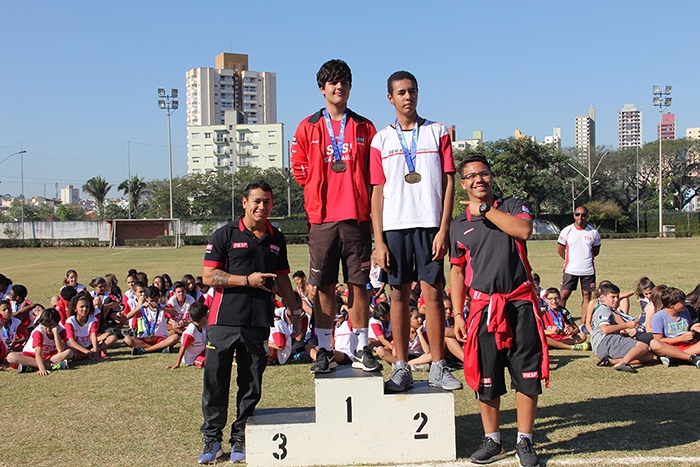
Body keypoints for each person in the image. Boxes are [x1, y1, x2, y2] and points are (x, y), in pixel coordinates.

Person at [449, 153, 548, 467]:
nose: (479, 180)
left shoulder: (511, 205)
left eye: (484, 174)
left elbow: (523, 231)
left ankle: (525, 441)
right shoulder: (457, 227)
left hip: (519, 303)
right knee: (486, 376)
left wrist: (485, 210)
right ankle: (492, 440)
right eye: (472, 176)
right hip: (483, 308)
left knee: (526, 374)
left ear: (491, 178)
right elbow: (456, 270)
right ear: (463, 183)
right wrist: (458, 313)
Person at [199, 180, 303, 464]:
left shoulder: (276, 238)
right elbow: (209, 276)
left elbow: (282, 276)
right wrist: (246, 280)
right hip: (223, 320)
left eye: (267, 202)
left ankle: (240, 436)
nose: (262, 206)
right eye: (256, 201)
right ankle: (211, 439)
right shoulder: (225, 234)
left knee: (251, 383)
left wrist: (294, 312)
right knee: (216, 382)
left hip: (258, 320)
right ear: (244, 202)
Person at [370, 70, 461, 393]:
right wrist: (378, 240)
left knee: (434, 293)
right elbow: (377, 192)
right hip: (395, 228)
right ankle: (401, 367)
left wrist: (444, 227)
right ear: (390, 98)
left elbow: (449, 180)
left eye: (412, 91)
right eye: (401, 92)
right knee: (398, 295)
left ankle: (438, 366)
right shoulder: (380, 139)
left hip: (429, 225)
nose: (408, 97)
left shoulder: (437, 132)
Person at [291, 59, 381, 374]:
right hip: (322, 220)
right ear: (322, 89)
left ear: (350, 87)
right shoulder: (307, 126)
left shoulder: (365, 127)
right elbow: (299, 169)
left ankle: (362, 348)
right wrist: (318, 190)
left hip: (357, 218)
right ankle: (325, 350)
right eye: (332, 82)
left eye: (343, 82)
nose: (338, 87)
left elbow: (373, 175)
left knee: (359, 286)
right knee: (324, 286)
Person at [557, 205, 601, 328]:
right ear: (574, 215)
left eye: (583, 215)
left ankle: (584, 325)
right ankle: (560, 322)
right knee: (563, 295)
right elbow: (560, 250)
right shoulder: (567, 231)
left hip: (587, 270)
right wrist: (570, 261)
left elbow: (596, 251)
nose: (580, 217)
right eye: (577, 214)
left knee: (587, 296)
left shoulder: (593, 232)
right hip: (570, 269)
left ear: (587, 216)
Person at [7, 307, 73, 375]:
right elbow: (38, 353)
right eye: (45, 325)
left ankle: (31, 366)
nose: (47, 328)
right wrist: (42, 368)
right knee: (11, 357)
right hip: (32, 355)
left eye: (51, 325)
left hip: (50, 356)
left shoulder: (61, 331)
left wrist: (55, 332)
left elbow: (60, 350)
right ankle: (50, 366)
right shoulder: (38, 332)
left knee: (69, 352)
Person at [123, 286, 180, 355]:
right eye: (151, 301)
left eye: (156, 300)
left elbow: (175, 313)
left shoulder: (163, 307)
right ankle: (160, 348)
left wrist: (161, 308)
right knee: (127, 339)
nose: (154, 303)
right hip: (145, 338)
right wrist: (139, 307)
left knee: (176, 337)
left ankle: (146, 350)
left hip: (161, 339)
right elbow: (128, 316)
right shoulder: (144, 309)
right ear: (146, 298)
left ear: (159, 297)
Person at [651, 287, 700, 367]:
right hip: (670, 347)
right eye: (682, 302)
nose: (685, 303)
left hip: (687, 346)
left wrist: (693, 327)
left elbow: (689, 328)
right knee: (654, 344)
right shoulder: (658, 317)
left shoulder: (685, 311)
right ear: (671, 305)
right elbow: (659, 339)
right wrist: (680, 338)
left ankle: (674, 358)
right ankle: (690, 357)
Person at [166, 302, 208, 369]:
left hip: (202, 352)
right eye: (207, 316)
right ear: (203, 318)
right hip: (193, 358)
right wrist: (177, 364)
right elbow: (183, 347)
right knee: (210, 361)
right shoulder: (191, 332)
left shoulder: (203, 327)